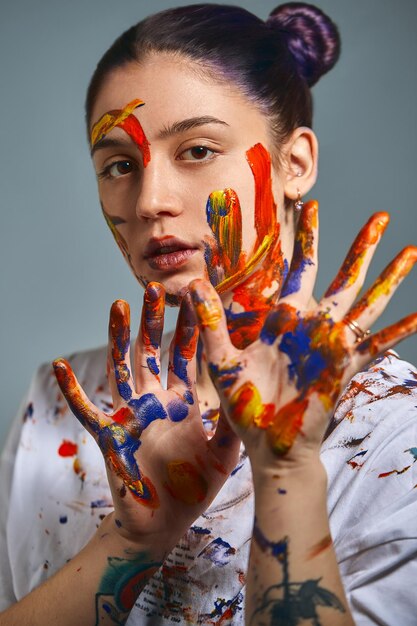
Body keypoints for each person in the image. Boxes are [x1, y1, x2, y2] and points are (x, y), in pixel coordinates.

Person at [0, 2, 416, 625]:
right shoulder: (64, 406)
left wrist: (287, 472)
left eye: (196, 150)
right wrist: (131, 542)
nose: (150, 201)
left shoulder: (392, 430)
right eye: (119, 166)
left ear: (294, 164)